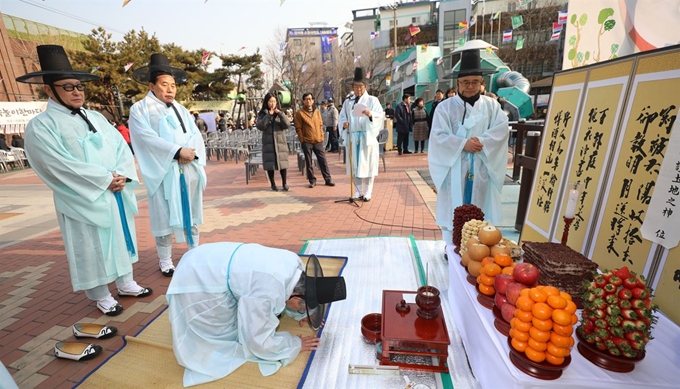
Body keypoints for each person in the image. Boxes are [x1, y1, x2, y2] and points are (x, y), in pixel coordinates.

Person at [17, 45, 152, 316]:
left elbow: (121, 147)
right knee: (90, 244)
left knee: (120, 236)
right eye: (67, 87)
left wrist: (121, 175)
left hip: (113, 191)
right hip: (82, 197)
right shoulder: (41, 125)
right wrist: (103, 179)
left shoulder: (97, 117)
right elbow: (56, 165)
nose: (77, 91)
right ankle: (101, 293)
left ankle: (126, 282)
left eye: (79, 85)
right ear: (49, 90)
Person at [167, 242, 346, 386]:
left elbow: (287, 295)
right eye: (302, 308)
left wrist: (301, 314)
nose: (300, 311)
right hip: (197, 278)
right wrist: (294, 344)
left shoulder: (294, 262)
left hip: (205, 255)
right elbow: (257, 340)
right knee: (219, 343)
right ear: (298, 299)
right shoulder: (266, 293)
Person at [129, 53, 207, 277]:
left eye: (173, 85)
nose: (171, 89)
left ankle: (194, 251)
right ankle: (165, 260)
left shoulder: (181, 109)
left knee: (191, 211)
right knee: (163, 215)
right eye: (165, 85)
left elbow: (195, 134)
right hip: (164, 172)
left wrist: (190, 153)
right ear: (152, 85)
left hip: (188, 168)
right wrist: (175, 152)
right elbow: (146, 138)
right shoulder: (140, 109)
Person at [428, 49, 509, 246]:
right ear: (457, 83)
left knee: (480, 212)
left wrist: (482, 142)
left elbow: (501, 130)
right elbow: (438, 136)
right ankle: (450, 249)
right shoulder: (445, 108)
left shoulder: (492, 106)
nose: (470, 86)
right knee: (451, 213)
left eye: (475, 82)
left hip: (481, 166)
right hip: (454, 168)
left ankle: (477, 250)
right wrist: (463, 144)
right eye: (466, 82)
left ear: (482, 83)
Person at [338, 68, 384, 201]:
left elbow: (380, 116)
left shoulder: (372, 100)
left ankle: (368, 191)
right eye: (356, 87)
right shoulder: (348, 102)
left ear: (365, 87)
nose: (358, 89)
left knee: (369, 164)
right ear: (353, 87)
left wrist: (371, 115)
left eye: (361, 87)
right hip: (353, 136)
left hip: (366, 137)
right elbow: (342, 117)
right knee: (355, 165)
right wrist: (344, 124)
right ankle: (358, 191)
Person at [294, 92, 335, 188]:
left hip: (318, 140)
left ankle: (328, 179)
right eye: (306, 99)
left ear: (313, 100)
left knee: (323, 160)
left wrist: (321, 136)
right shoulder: (300, 113)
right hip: (307, 140)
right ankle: (312, 180)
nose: (309, 101)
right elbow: (298, 127)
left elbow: (320, 124)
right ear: (303, 101)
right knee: (309, 162)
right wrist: (302, 139)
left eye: (310, 99)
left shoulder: (317, 111)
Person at [256, 93, 290, 191]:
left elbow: (287, 124)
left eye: (274, 101)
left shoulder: (280, 113)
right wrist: (268, 116)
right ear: (266, 102)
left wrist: (280, 113)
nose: (272, 104)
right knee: (270, 164)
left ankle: (284, 183)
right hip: (269, 142)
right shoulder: (262, 114)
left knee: (283, 163)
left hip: (280, 142)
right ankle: (273, 184)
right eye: (270, 101)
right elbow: (260, 126)